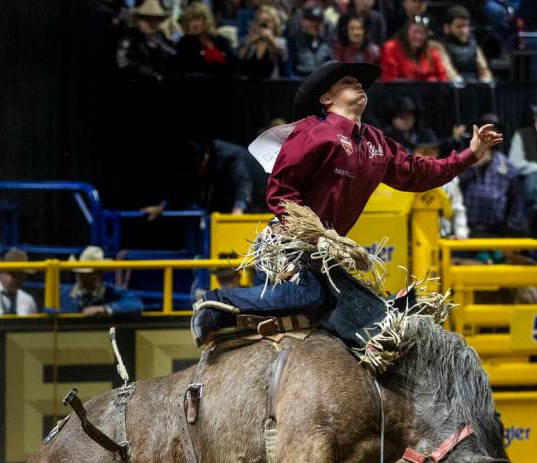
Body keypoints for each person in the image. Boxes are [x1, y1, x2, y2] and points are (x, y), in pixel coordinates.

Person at [191, 60, 503, 345]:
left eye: (360, 82)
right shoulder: (312, 133)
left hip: (327, 255)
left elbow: (420, 173)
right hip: (288, 247)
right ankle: (217, 303)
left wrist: (470, 153)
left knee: (376, 318)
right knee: (312, 297)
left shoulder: (376, 144)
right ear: (326, 98)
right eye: (349, 81)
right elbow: (281, 191)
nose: (359, 85)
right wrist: (315, 233)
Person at [458, 114, 527, 239]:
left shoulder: (509, 168)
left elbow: (516, 203)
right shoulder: (462, 160)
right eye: (485, 130)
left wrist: (510, 230)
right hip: (465, 231)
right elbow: (453, 188)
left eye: (494, 132)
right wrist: (473, 167)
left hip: (496, 233)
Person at [59, 246, 144, 317]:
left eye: (89, 274)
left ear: (99, 274)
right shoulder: (64, 294)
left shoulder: (111, 292)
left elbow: (136, 304)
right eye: (81, 273)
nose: (84, 277)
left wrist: (105, 309)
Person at [114, 0, 176, 81]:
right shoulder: (129, 36)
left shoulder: (160, 36)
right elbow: (123, 62)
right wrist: (153, 75)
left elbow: (173, 55)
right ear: (138, 20)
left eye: (156, 19)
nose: (152, 23)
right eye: (147, 19)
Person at [433, 6, 494, 84]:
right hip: (454, 89)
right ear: (447, 28)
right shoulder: (439, 45)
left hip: (476, 87)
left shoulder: (474, 45)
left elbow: (484, 70)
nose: (464, 30)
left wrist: (486, 81)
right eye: (459, 26)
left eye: (466, 26)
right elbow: (449, 72)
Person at [173, 3, 237, 77]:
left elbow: (233, 63)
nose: (194, 24)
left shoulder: (220, 40)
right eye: (189, 20)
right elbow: (192, 70)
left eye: (197, 19)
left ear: (206, 20)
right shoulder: (184, 44)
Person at [381, 17, 449, 82]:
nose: (418, 36)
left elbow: (443, 77)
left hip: (429, 92)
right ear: (406, 33)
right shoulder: (391, 48)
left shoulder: (431, 51)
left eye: (422, 33)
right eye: (415, 32)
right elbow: (389, 79)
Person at [238, 4, 287, 79]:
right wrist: (249, 42)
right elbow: (240, 59)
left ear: (275, 23)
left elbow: (283, 60)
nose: (263, 25)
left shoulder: (279, 41)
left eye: (267, 21)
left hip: (271, 84)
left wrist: (271, 41)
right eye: (260, 21)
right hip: (248, 83)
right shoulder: (248, 39)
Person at [287, 6, 333, 76]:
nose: (315, 24)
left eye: (319, 20)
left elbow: (331, 67)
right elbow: (288, 68)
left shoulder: (327, 43)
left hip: (321, 82)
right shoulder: (293, 40)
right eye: (311, 20)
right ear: (303, 21)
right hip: (298, 81)